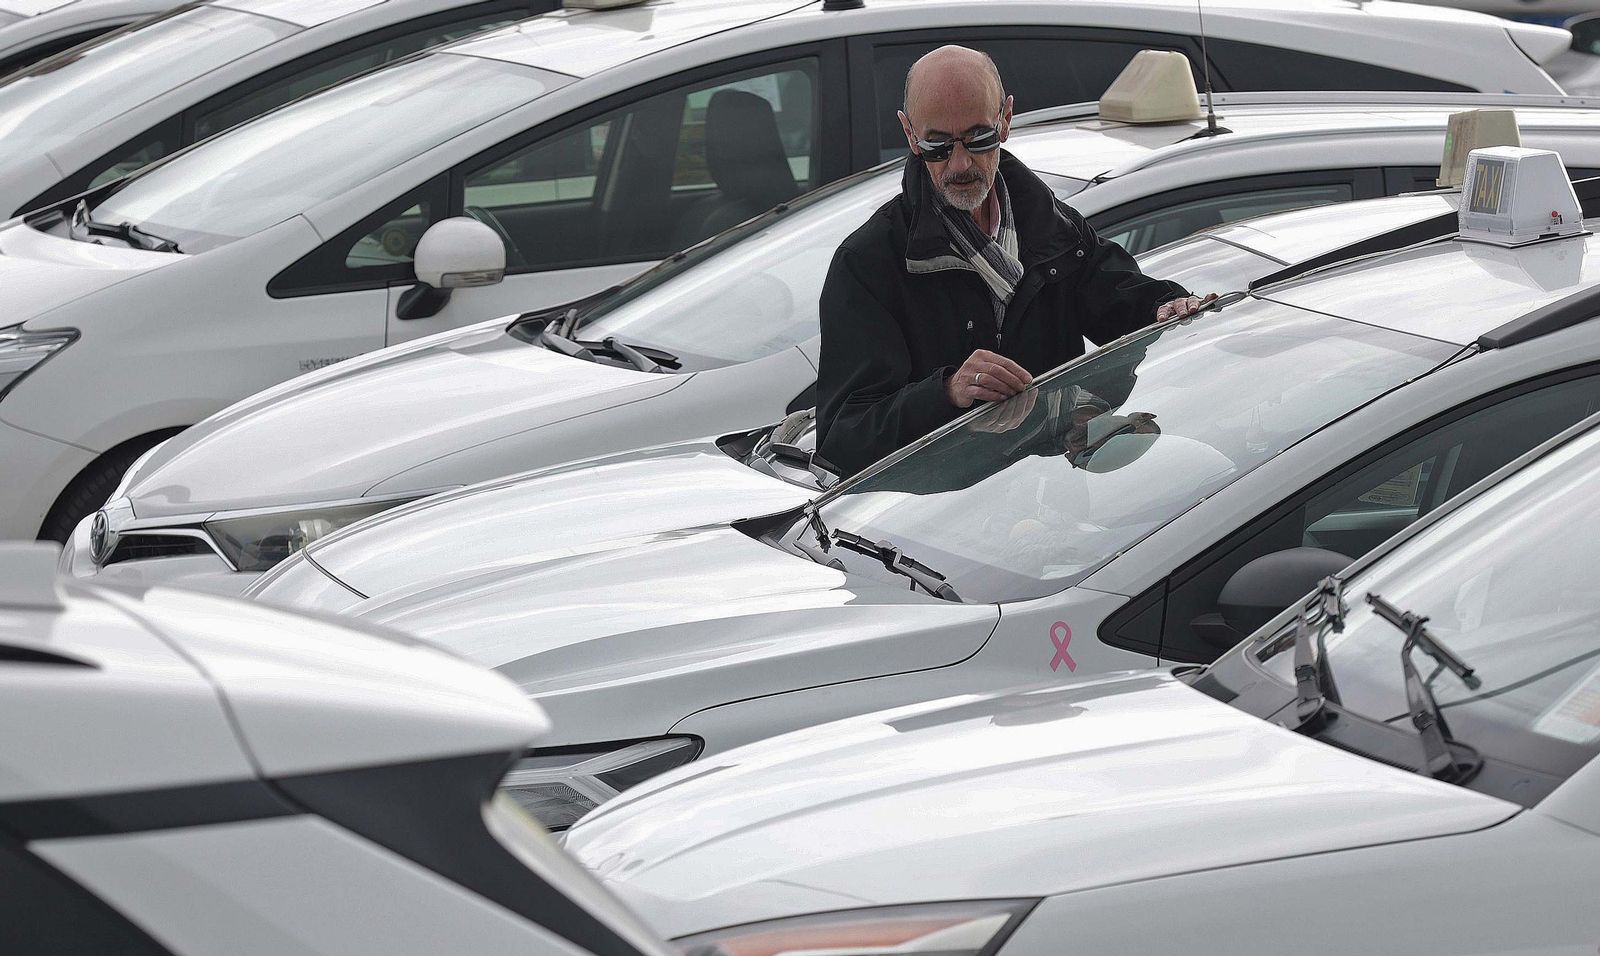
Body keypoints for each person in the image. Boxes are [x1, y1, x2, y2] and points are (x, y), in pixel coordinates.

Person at [816, 45, 1217, 476]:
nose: (961, 163)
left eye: (979, 138)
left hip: (1053, 496)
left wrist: (1169, 305)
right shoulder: (868, 264)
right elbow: (843, 438)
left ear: (1006, 120)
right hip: (929, 529)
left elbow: (1123, 300)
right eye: (937, 146)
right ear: (910, 134)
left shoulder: (1052, 229)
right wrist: (948, 392)